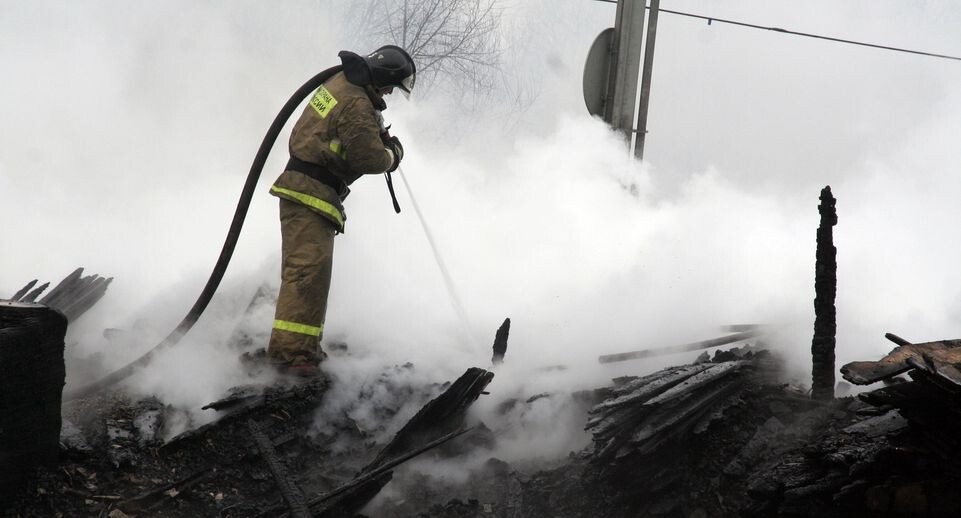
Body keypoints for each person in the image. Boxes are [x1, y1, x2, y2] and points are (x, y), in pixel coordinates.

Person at [266, 45, 416, 376]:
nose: (390, 92)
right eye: (391, 86)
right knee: (306, 274)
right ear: (383, 77)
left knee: (311, 275)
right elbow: (369, 159)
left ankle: (299, 349)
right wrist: (392, 154)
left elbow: (335, 131)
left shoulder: (342, 84)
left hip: (308, 190)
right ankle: (291, 357)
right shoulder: (357, 103)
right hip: (309, 191)